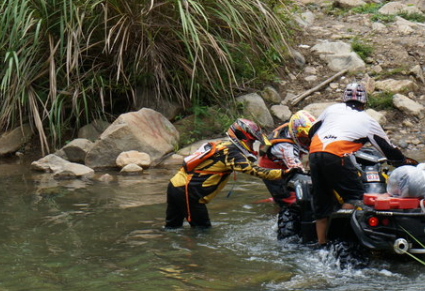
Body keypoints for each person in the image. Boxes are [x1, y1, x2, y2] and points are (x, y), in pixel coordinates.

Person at [308, 82, 412, 245]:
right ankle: (341, 238)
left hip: (314, 153)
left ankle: (321, 243)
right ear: (364, 102)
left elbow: (311, 131)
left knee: (322, 199)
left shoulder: (332, 109)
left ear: (344, 99)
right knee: (355, 196)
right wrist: (403, 162)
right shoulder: (368, 120)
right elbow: (387, 149)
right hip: (337, 155)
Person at [165, 118, 300, 229]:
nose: (253, 145)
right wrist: (283, 173)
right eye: (251, 141)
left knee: (172, 227)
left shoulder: (223, 144)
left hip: (176, 185)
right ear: (242, 137)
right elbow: (254, 170)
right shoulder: (232, 153)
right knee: (202, 230)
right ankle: (194, 261)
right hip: (188, 193)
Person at [258, 111, 317, 238]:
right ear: (295, 134)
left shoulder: (295, 129)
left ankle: (275, 202)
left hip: (281, 159)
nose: (307, 142)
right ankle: (281, 214)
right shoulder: (286, 147)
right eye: (304, 139)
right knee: (290, 199)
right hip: (270, 168)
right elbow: (298, 171)